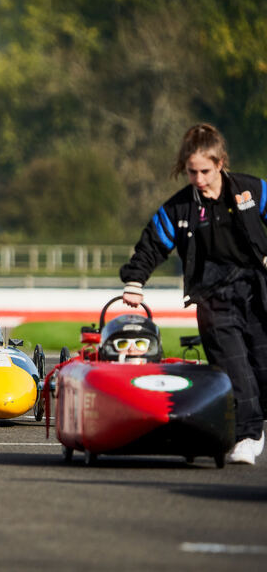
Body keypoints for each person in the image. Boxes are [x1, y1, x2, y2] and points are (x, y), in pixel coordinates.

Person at [121, 123, 267, 465]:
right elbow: (152, 244)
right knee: (234, 367)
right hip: (212, 296)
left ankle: (255, 421)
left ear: (220, 164)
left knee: (263, 366)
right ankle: (247, 433)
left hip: (256, 290)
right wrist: (135, 281)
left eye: (205, 171)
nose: (199, 179)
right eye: (191, 172)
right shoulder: (178, 209)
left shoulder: (251, 190)